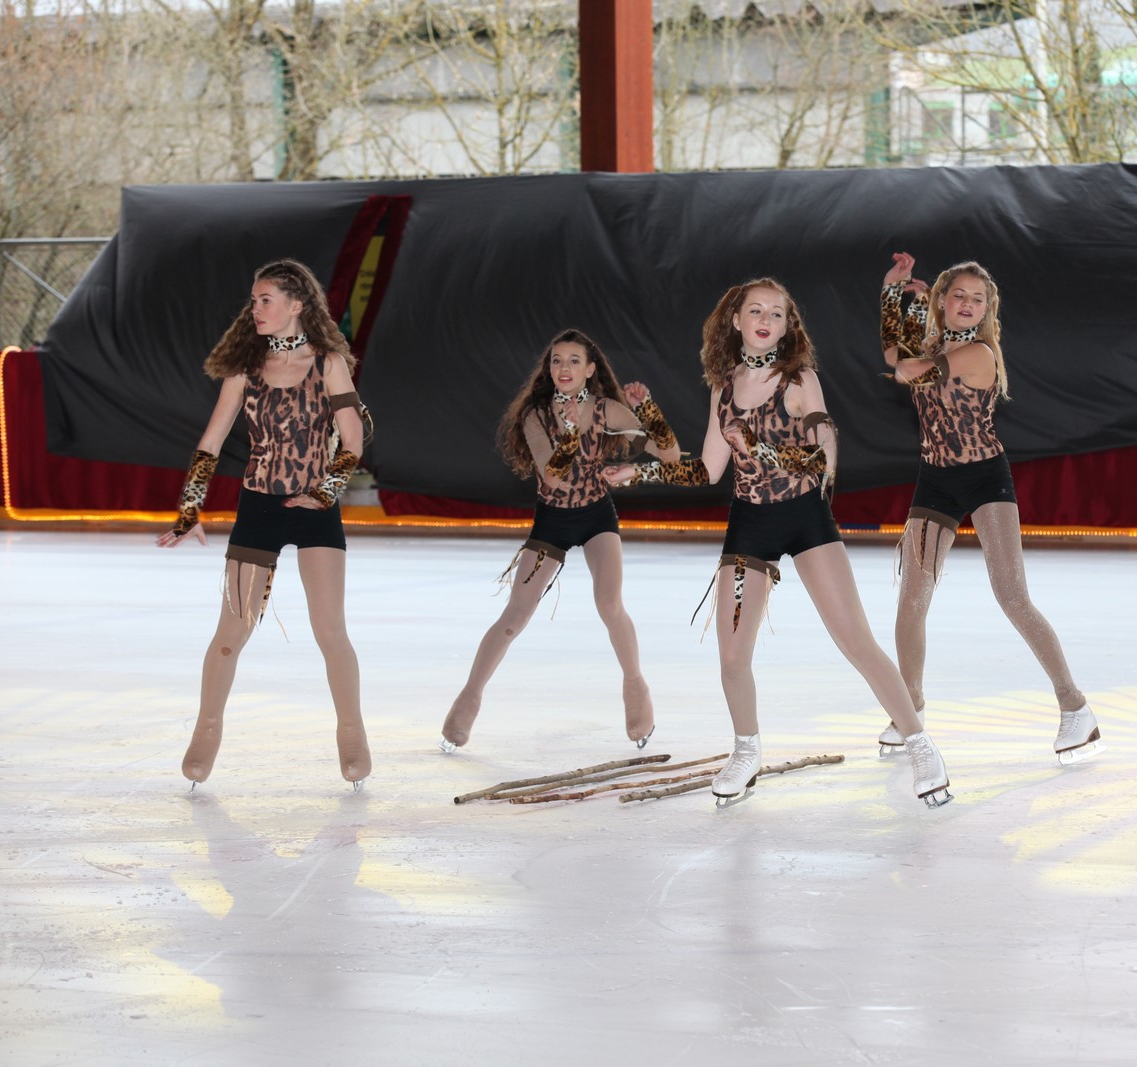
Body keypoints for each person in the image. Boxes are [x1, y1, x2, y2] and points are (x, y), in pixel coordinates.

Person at [605, 278, 953, 808]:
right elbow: (708, 470)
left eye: (777, 313)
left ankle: (920, 744)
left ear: (788, 326)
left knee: (856, 641)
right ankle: (746, 750)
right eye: (756, 310)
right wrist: (640, 472)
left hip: (806, 519)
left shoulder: (799, 380)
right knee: (731, 655)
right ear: (736, 320)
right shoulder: (723, 388)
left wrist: (764, 449)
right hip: (750, 525)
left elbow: (823, 454)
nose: (765, 319)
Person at [877, 252, 1102, 766]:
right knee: (912, 596)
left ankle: (1075, 706)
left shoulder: (978, 353)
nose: (967, 304)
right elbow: (897, 355)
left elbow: (906, 369)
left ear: (986, 311)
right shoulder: (932, 343)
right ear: (944, 300)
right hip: (935, 479)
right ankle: (910, 708)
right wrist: (892, 293)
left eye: (977, 299)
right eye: (958, 294)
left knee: (1012, 596)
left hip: (984, 478)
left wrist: (911, 312)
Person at [159, 259, 372, 791]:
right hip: (258, 508)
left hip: (316, 509)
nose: (255, 309)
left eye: (265, 300)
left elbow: (352, 440)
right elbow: (210, 443)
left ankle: (351, 731)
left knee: (330, 631)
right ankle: (207, 729)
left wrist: (323, 492)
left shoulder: (328, 362)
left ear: (296, 305)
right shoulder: (245, 368)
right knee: (231, 633)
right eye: (253, 300)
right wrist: (189, 509)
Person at [438, 329, 680, 754]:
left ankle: (635, 685)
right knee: (514, 616)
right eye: (556, 360)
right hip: (552, 521)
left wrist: (647, 409)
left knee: (610, 605)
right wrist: (570, 429)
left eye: (573, 360)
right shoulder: (536, 415)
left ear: (589, 370)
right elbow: (553, 477)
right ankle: (470, 697)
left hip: (596, 516)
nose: (563, 368)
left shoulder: (606, 410)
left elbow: (671, 455)